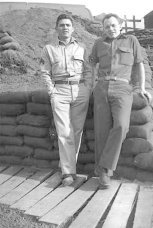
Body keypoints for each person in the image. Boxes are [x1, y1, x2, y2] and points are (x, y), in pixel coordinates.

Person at [89, 13, 152, 189]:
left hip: (123, 88)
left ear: (120, 25)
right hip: (101, 88)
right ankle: (104, 175)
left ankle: (104, 165)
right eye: (107, 26)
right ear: (103, 28)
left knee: (122, 126)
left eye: (113, 25)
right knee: (101, 131)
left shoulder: (131, 40)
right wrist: (91, 84)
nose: (111, 28)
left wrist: (142, 88)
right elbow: (91, 64)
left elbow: (139, 64)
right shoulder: (98, 43)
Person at [40, 14, 92, 186]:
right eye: (61, 25)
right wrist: (52, 92)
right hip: (60, 91)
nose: (65, 27)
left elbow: (89, 70)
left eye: (68, 25)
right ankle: (68, 172)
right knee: (64, 132)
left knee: (76, 131)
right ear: (56, 28)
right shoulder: (49, 48)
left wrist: (88, 88)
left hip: (80, 91)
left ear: (73, 28)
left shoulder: (82, 47)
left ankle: (67, 165)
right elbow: (45, 71)